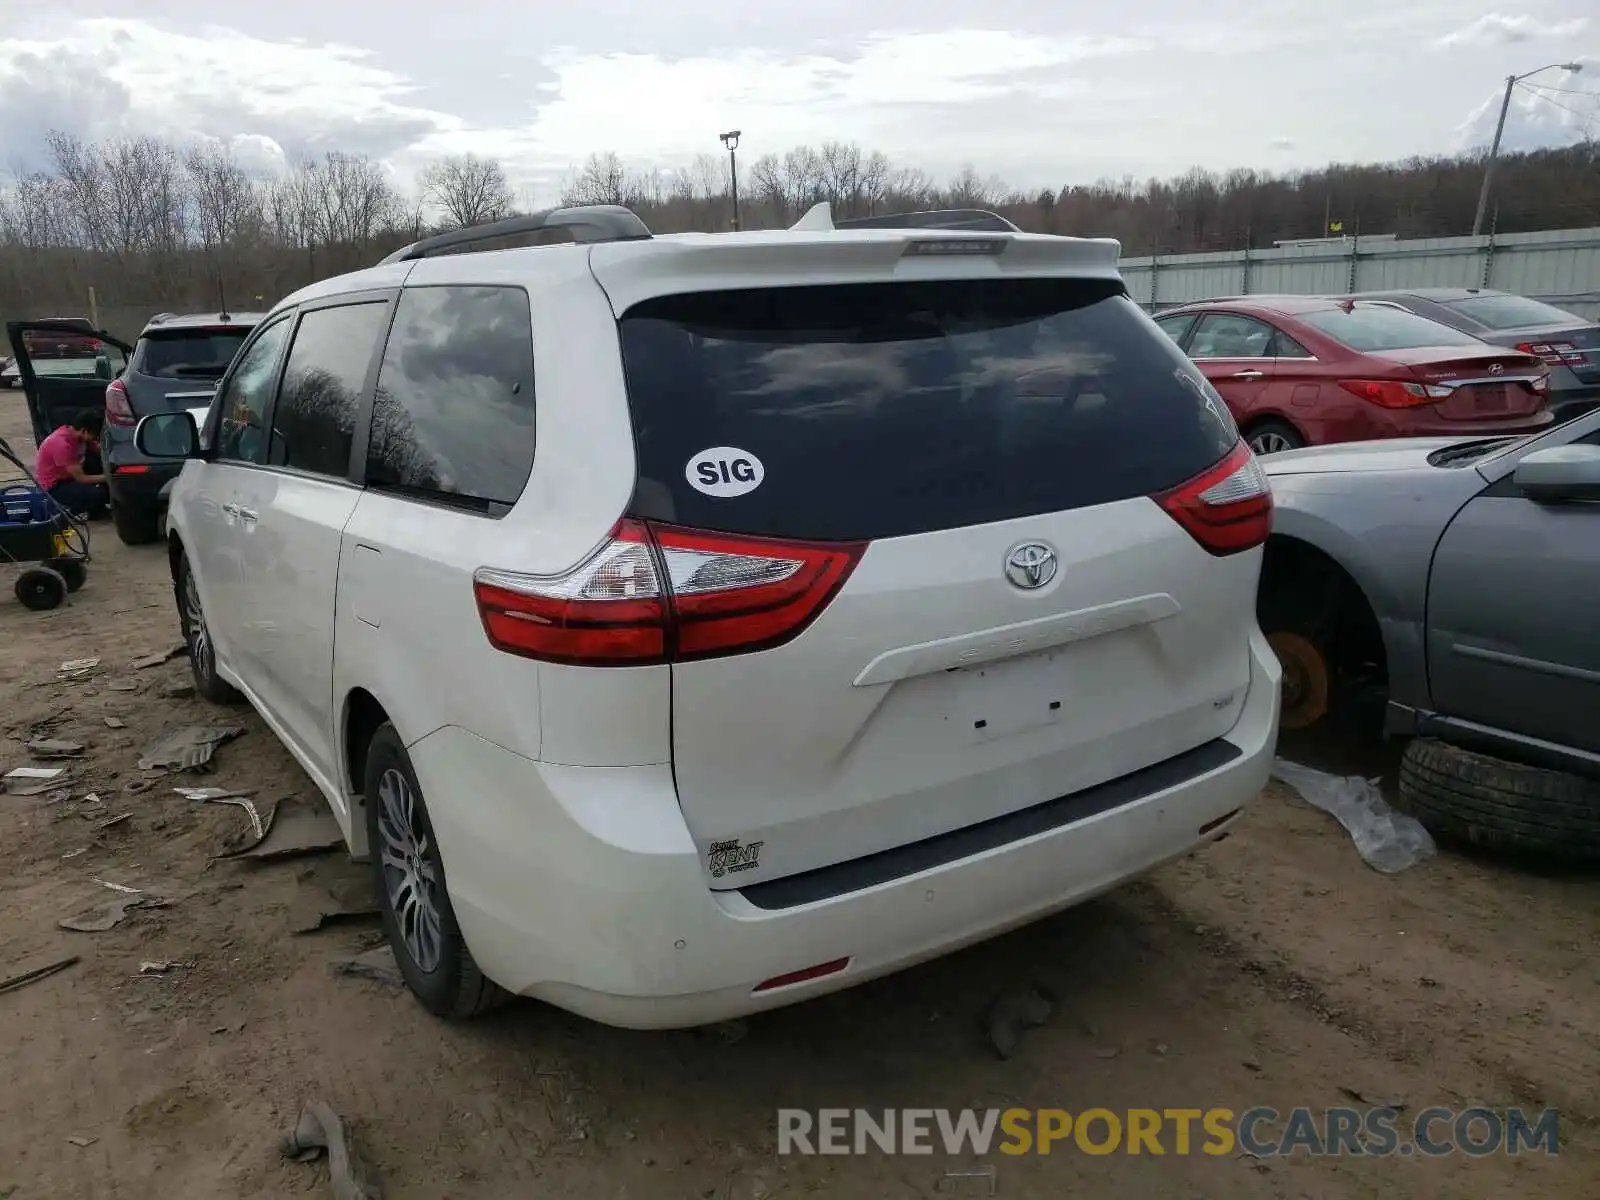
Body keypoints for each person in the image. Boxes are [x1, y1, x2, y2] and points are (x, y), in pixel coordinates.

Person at [34, 410, 109, 519]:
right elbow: (82, 479)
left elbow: (101, 451)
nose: (96, 439)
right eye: (95, 435)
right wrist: (110, 477)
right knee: (98, 495)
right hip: (54, 487)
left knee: (99, 468)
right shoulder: (62, 444)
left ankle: (95, 508)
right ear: (84, 431)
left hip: (69, 476)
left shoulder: (79, 437)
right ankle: (68, 514)